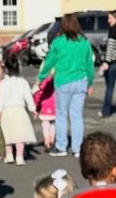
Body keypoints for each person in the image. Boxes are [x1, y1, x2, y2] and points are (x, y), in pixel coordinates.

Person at [37, 13, 95, 157]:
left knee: (61, 115)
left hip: (63, 81)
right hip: (81, 81)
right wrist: (90, 82)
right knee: (76, 116)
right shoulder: (84, 42)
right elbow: (89, 64)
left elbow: (49, 61)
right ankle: (77, 148)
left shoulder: (58, 42)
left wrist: (41, 77)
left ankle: (61, 147)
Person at [0, 54, 37, 165]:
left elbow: (0, 99)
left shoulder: (3, 83)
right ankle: (19, 156)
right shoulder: (23, 82)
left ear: (6, 69)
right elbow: (28, 97)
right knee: (20, 135)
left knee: (7, 134)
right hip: (20, 111)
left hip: (7, 111)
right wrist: (33, 109)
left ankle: (9, 156)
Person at [34, 71, 57, 151]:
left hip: (44, 109)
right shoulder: (57, 86)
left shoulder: (42, 87)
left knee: (45, 125)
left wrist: (36, 108)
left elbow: (37, 97)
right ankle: (52, 140)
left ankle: (47, 141)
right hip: (55, 109)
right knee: (53, 125)